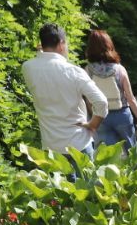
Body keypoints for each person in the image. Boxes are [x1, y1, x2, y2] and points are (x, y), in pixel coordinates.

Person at [22, 24, 108, 157]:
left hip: (52, 147)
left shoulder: (27, 68)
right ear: (61, 44)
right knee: (87, 178)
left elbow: (44, 63)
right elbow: (101, 102)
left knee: (60, 179)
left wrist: (41, 53)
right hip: (78, 143)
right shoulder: (74, 71)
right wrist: (93, 124)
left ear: (42, 44)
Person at [84, 29, 137, 151]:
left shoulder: (87, 70)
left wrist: (94, 118)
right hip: (122, 114)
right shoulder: (119, 69)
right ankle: (134, 170)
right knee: (132, 154)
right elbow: (131, 99)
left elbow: (88, 100)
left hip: (101, 117)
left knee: (110, 157)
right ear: (109, 45)